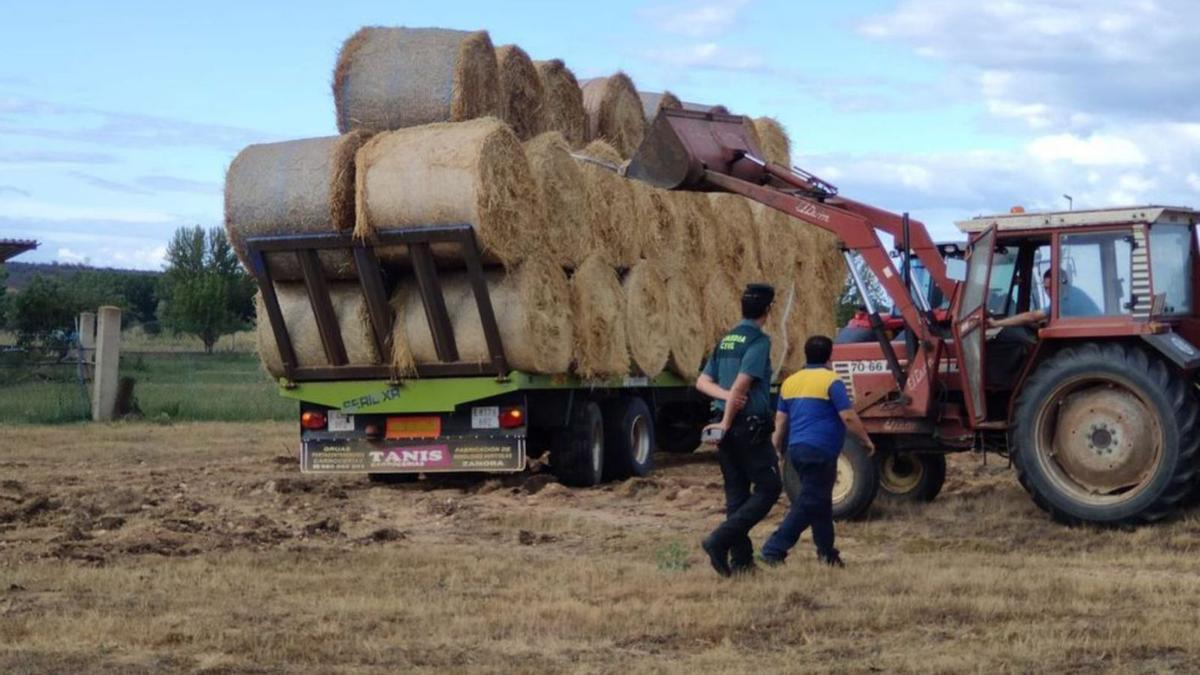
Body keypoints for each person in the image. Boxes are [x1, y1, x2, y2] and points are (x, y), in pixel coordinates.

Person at [760, 335, 875, 568]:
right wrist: (865, 439)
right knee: (810, 501)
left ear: (806, 353)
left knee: (820, 501)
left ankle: (827, 554)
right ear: (830, 355)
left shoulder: (790, 382)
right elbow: (847, 415)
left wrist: (775, 446)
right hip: (820, 450)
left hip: (796, 450)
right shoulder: (831, 381)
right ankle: (774, 548)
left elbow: (781, 420)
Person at [695, 283, 783, 577]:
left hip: (726, 424)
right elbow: (743, 384)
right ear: (768, 310)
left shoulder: (726, 340)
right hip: (746, 425)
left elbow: (702, 382)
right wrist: (728, 419)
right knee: (770, 488)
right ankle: (719, 540)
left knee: (736, 493)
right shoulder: (758, 341)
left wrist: (723, 400)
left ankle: (741, 561)